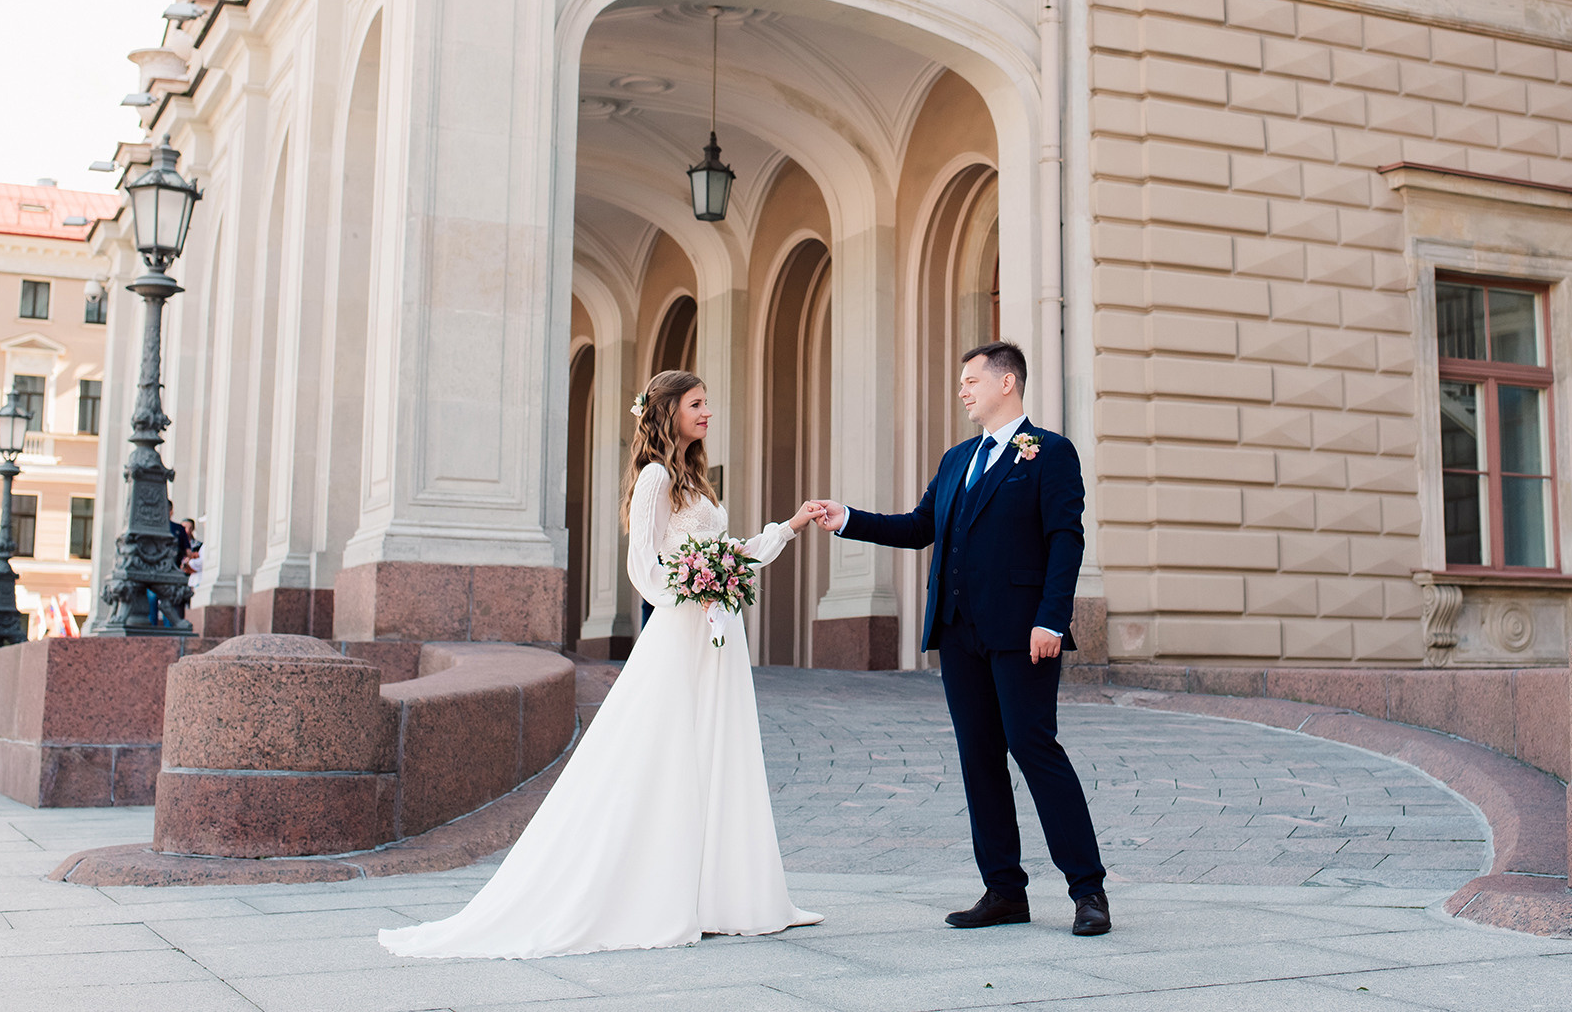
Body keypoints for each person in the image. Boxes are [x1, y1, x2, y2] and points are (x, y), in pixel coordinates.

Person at [379, 369, 823, 960]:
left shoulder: (694, 477)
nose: (708, 412)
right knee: (663, 750)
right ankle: (653, 891)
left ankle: (726, 895)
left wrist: (786, 529)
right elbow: (645, 567)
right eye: (698, 404)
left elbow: (724, 553)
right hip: (683, 630)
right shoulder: (655, 477)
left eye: (709, 403)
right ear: (668, 411)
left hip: (717, 632)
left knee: (718, 747)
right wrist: (694, 591)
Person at [805, 340, 1110, 937]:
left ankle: (1088, 890)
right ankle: (1004, 891)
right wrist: (849, 519)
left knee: (1035, 749)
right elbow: (922, 528)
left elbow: (1064, 540)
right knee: (979, 760)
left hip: (1024, 633)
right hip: (958, 631)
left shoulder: (1050, 453)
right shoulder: (956, 460)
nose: (964, 390)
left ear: (1007, 384)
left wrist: (1052, 619)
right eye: (961, 381)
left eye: (972, 380)